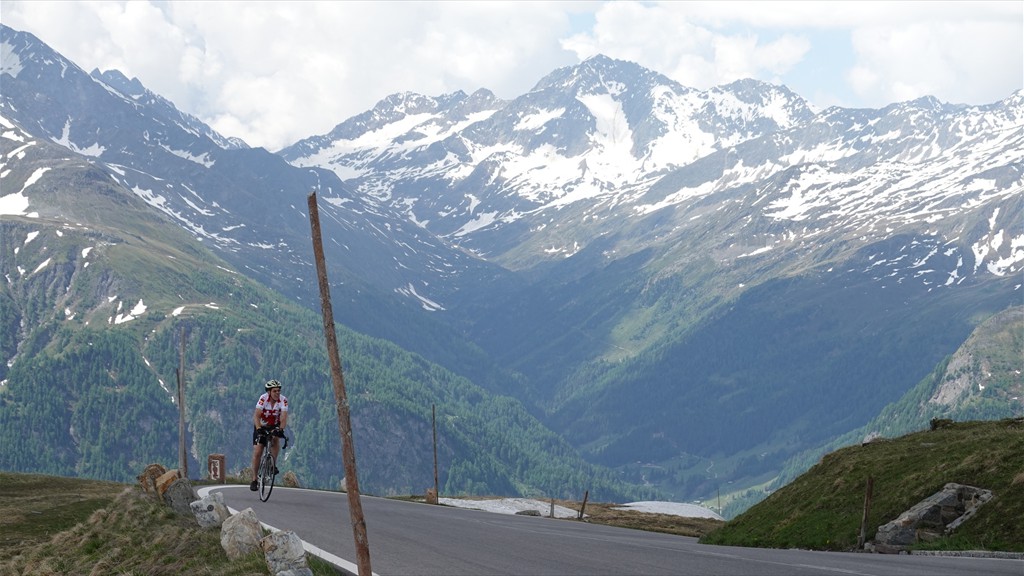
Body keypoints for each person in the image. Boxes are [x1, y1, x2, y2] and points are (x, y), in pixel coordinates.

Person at [250, 379, 289, 491]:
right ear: (269, 392)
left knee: (276, 439)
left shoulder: (283, 400)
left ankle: (272, 464)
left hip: (274, 425)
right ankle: (254, 479)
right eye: (275, 391)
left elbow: (284, 417)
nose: (277, 393)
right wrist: (258, 429)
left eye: (279, 391)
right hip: (261, 424)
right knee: (258, 451)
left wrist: (281, 429)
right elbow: (256, 416)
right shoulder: (263, 399)